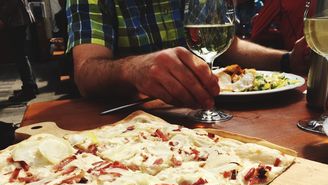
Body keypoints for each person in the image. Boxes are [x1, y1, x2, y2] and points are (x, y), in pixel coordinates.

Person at [66, 0, 309, 109]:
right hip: (127, 127)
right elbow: (86, 72)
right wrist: (133, 69)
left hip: (210, 116)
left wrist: (286, 60)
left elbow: (226, 45)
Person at [0, 0, 39, 102]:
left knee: (20, 55)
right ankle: (30, 86)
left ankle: (29, 88)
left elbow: (11, 2)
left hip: (16, 20)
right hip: (17, 18)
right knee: (21, 54)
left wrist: (2, 18)